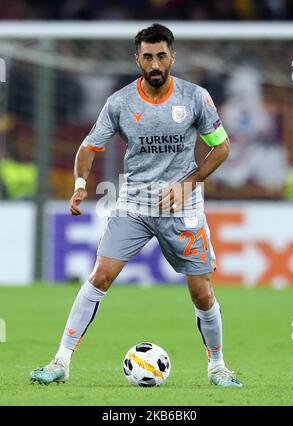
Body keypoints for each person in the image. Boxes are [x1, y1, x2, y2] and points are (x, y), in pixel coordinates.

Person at [30, 23, 242, 388]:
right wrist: (81, 185)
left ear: (172, 56)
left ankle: (218, 366)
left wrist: (187, 184)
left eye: (161, 55)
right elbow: (88, 148)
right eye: (148, 57)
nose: (155, 63)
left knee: (202, 291)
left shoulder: (195, 98)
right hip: (134, 203)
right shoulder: (120, 102)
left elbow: (221, 146)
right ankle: (60, 361)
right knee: (100, 276)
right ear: (137, 59)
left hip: (183, 206)